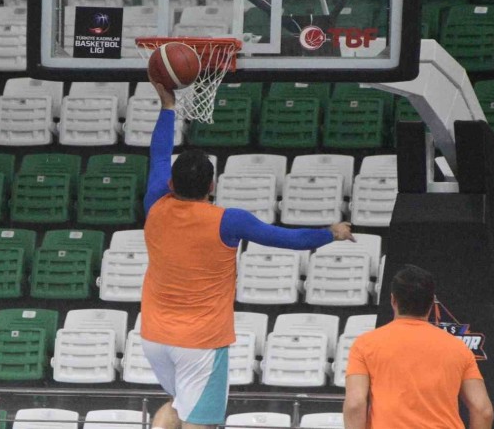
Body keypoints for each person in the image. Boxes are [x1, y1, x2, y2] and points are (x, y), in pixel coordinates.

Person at [141, 80, 355, 429]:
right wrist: (331, 233)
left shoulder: (155, 203)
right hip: (200, 343)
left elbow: (159, 155)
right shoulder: (228, 221)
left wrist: (168, 107)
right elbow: (288, 239)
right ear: (212, 185)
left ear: (172, 184)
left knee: (177, 404)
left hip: (153, 336)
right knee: (199, 421)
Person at [343, 264, 494, 429]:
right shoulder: (459, 348)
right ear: (432, 302)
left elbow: (355, 404)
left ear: (393, 300)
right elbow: (483, 410)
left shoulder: (365, 345)